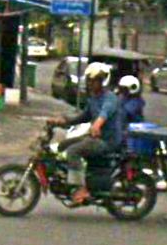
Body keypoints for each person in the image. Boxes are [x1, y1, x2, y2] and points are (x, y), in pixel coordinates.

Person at [48, 62, 122, 204]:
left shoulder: (110, 98)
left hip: (106, 141)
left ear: (102, 81)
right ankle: (70, 176)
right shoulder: (93, 99)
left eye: (94, 81)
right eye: (89, 80)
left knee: (73, 151)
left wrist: (97, 125)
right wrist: (62, 121)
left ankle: (81, 189)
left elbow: (105, 113)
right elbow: (83, 117)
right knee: (63, 145)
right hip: (94, 137)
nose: (90, 83)